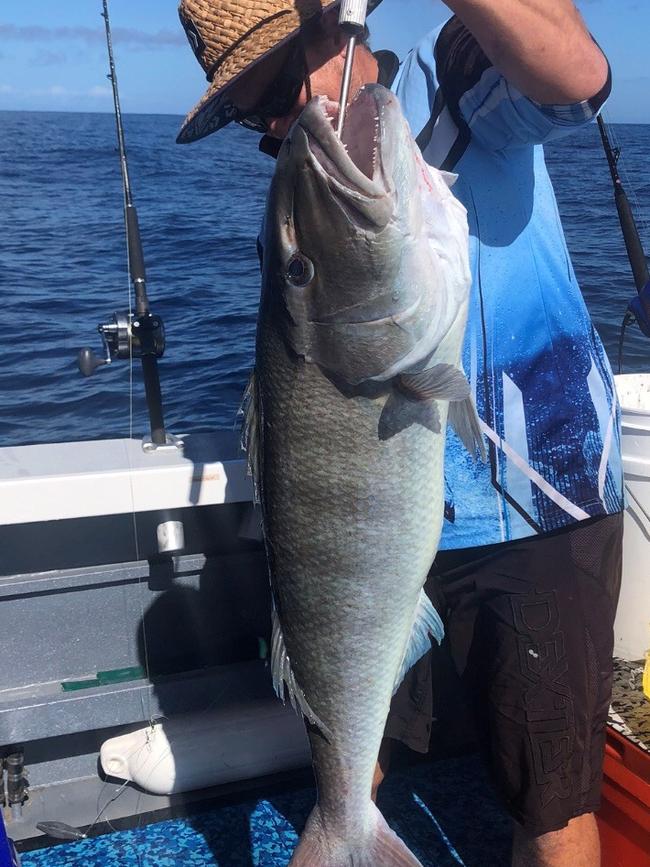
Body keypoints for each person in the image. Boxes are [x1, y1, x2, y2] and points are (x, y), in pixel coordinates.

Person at [176, 2, 624, 865]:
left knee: (551, 800)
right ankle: (346, 835)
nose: (272, 123)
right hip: (383, 527)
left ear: (332, 23)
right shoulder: (306, 178)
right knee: (358, 759)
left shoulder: (457, 66)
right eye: (245, 112)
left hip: (532, 501)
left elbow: (575, 76)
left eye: (267, 83)